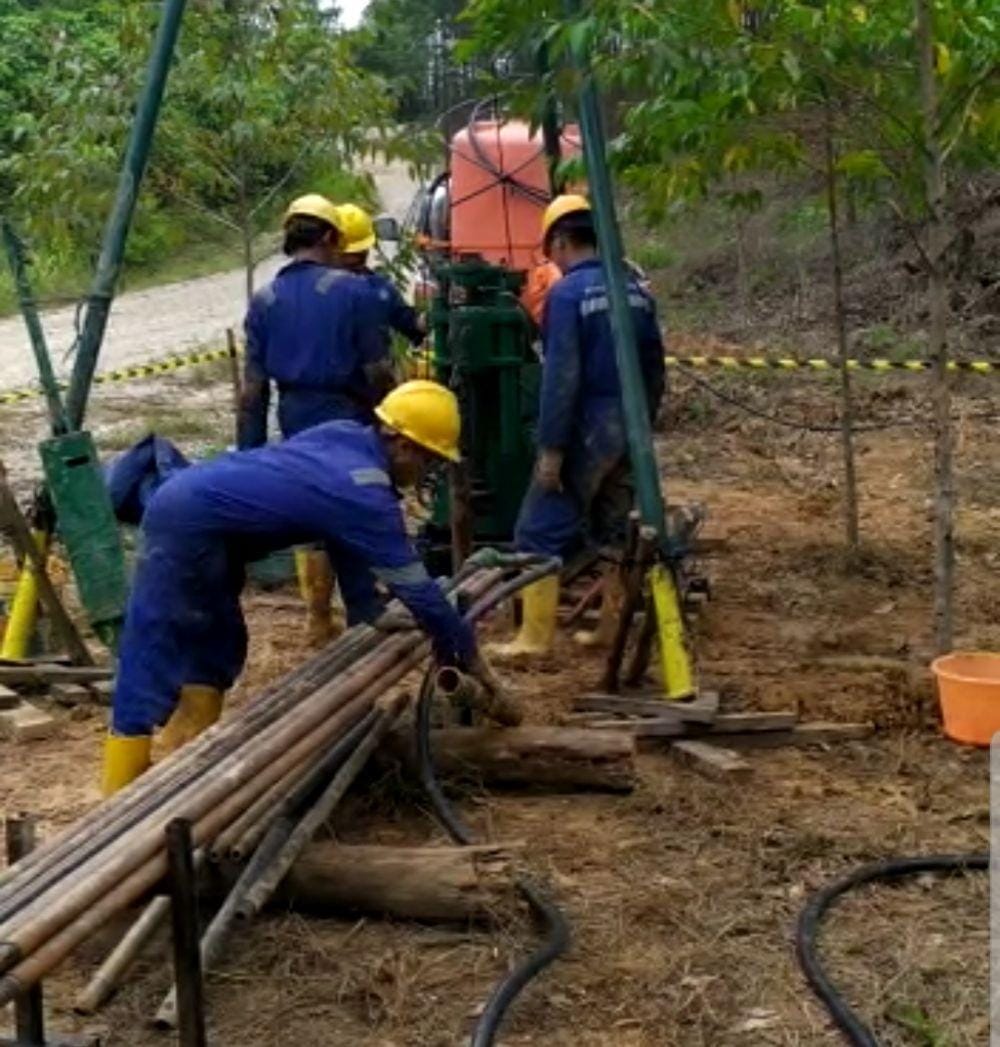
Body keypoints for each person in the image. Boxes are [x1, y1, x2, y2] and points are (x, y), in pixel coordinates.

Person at [101, 381, 493, 795]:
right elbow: (420, 593)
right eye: (429, 462)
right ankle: (118, 794)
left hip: (210, 525)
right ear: (404, 446)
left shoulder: (344, 436)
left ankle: (184, 762)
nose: (425, 474)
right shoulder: (362, 491)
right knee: (155, 648)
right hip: (184, 521)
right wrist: (462, 649)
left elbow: (343, 536)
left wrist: (368, 608)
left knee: (217, 643)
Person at [491, 195, 666, 660]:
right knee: (616, 532)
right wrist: (643, 427)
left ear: (561, 241)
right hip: (630, 426)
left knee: (538, 531)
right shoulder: (636, 290)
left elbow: (561, 377)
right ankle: (610, 630)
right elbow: (655, 367)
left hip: (588, 427)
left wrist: (552, 449)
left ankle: (534, 640)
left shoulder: (567, 294)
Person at [238, 194, 395, 645]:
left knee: (310, 506)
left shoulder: (264, 300)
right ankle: (364, 610)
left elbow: (252, 393)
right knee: (353, 505)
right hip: (347, 414)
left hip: (295, 416)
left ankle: (318, 618)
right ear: (329, 237)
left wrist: (248, 456)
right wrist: (390, 420)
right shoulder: (355, 292)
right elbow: (378, 370)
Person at [332, 202, 426, 354]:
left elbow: (407, 321)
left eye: (360, 253)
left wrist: (426, 321)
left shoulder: (378, 289)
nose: (356, 259)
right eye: (350, 256)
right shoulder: (312, 290)